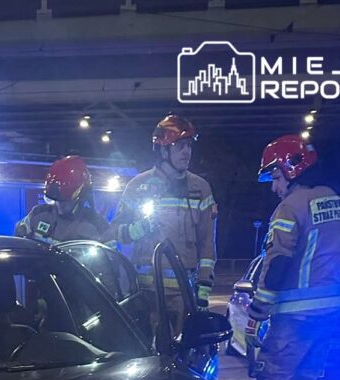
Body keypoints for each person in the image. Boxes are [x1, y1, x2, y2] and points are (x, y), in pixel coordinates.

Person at [248, 134, 340, 380]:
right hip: (330, 314)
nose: (274, 187)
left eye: (276, 177)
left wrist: (259, 307)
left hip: (296, 315)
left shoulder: (291, 206)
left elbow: (278, 260)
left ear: (291, 168)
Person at [112, 113, 216, 332]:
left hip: (183, 296)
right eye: (180, 146)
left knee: (185, 349)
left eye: (189, 146)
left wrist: (204, 287)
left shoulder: (200, 188)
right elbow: (114, 233)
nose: (187, 152)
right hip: (145, 295)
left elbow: (207, 243)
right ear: (163, 150)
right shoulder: (138, 186)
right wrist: (139, 228)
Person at [15, 157, 110, 244]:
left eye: (65, 202)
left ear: (80, 195)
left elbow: (108, 255)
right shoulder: (37, 214)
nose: (60, 206)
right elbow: (19, 241)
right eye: (57, 200)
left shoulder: (97, 226)